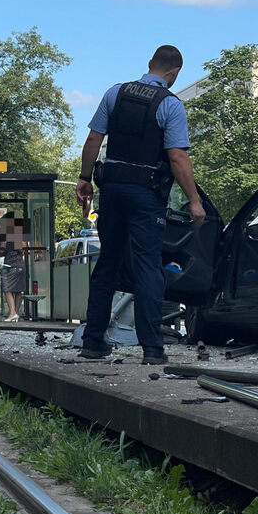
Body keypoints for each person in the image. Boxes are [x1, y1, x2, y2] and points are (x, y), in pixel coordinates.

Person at [75, 44, 205, 365]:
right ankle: (152, 349)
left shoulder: (115, 94)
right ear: (174, 73)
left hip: (113, 190)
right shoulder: (171, 105)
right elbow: (177, 156)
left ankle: (93, 341)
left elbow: (94, 140)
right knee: (148, 266)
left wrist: (84, 179)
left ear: (149, 64)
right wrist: (193, 201)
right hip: (145, 195)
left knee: (108, 263)